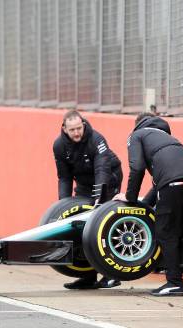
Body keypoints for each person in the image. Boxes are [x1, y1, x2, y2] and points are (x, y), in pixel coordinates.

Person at [125, 113, 183, 296]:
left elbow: (137, 167)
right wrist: (144, 204)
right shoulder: (168, 138)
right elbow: (160, 183)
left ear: (138, 125)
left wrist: (130, 199)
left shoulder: (137, 135)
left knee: (166, 232)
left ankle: (174, 282)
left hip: (170, 182)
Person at [53, 109, 122, 290]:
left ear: (83, 125)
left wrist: (99, 200)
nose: (76, 133)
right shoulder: (59, 146)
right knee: (80, 225)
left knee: (102, 224)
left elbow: (102, 170)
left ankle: (111, 275)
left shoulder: (97, 139)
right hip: (83, 184)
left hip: (108, 179)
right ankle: (87, 276)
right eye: (72, 130)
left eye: (79, 128)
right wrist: (63, 205)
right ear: (64, 129)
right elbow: (64, 177)